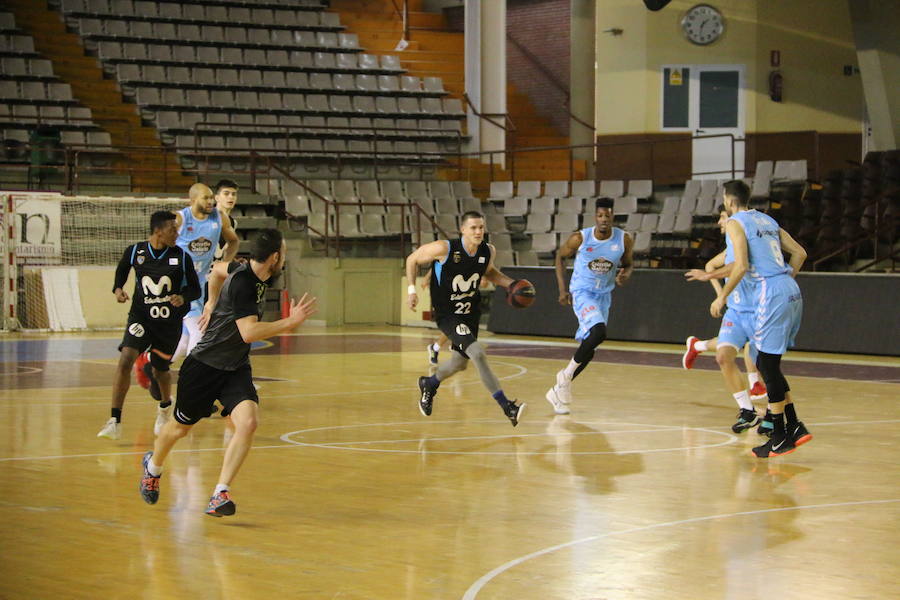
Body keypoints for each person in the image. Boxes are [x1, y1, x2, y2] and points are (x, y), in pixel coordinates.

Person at [140, 229, 317, 516]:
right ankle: (153, 467)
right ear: (275, 257)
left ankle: (220, 492)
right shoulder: (246, 283)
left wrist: (210, 302)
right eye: (283, 253)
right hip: (203, 367)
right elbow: (248, 332)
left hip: (234, 367)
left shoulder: (243, 269)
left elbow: (216, 270)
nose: (283, 257)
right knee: (179, 429)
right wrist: (289, 323)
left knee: (247, 423)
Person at [686, 180, 810, 458]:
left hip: (770, 293)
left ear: (729, 202)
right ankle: (794, 427)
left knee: (766, 364)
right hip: (790, 290)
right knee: (769, 363)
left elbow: (740, 266)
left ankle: (779, 435)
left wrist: (722, 296)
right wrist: (784, 281)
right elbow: (800, 253)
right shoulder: (766, 219)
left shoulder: (734, 223)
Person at [406, 211, 526, 426]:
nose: (478, 231)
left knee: (459, 364)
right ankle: (507, 406)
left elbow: (489, 273)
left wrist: (511, 284)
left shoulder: (488, 251)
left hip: (470, 312)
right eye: (473, 228)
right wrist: (412, 291)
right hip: (448, 314)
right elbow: (412, 259)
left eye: (481, 227)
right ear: (462, 230)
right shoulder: (444, 248)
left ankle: (430, 383)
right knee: (478, 352)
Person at [97, 211, 200, 440]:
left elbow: (195, 289)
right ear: (158, 231)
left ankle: (164, 407)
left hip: (169, 323)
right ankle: (115, 420)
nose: (177, 233)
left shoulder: (182, 257)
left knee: (160, 370)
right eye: (173, 229)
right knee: (126, 358)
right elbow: (122, 269)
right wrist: (117, 289)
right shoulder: (136, 251)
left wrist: (183, 297)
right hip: (141, 317)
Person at [136, 183, 241, 398]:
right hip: (179, 288)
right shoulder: (180, 219)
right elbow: (156, 242)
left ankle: (150, 364)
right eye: (206, 198)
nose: (211, 201)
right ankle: (192, 389)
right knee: (200, 333)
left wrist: (223, 264)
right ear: (192, 200)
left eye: (212, 197)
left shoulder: (219, 218)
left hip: (201, 285)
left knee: (183, 342)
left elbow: (233, 241)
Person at [682, 204, 769, 434]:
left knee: (759, 355)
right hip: (738, 309)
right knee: (724, 355)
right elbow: (711, 265)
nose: (720, 222)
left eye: (722, 217)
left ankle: (698, 345)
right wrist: (721, 295)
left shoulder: (749, 242)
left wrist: (720, 291)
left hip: (759, 306)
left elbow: (739, 266)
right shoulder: (730, 246)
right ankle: (747, 408)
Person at [545, 198, 633, 415]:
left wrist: (626, 274)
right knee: (599, 331)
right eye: (600, 215)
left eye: (608, 216)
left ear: (613, 216)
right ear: (595, 216)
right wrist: (562, 289)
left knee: (589, 349)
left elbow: (629, 263)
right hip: (583, 292)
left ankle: (557, 390)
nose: (604, 220)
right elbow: (559, 257)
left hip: (604, 295)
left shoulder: (624, 239)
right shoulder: (580, 238)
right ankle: (565, 377)